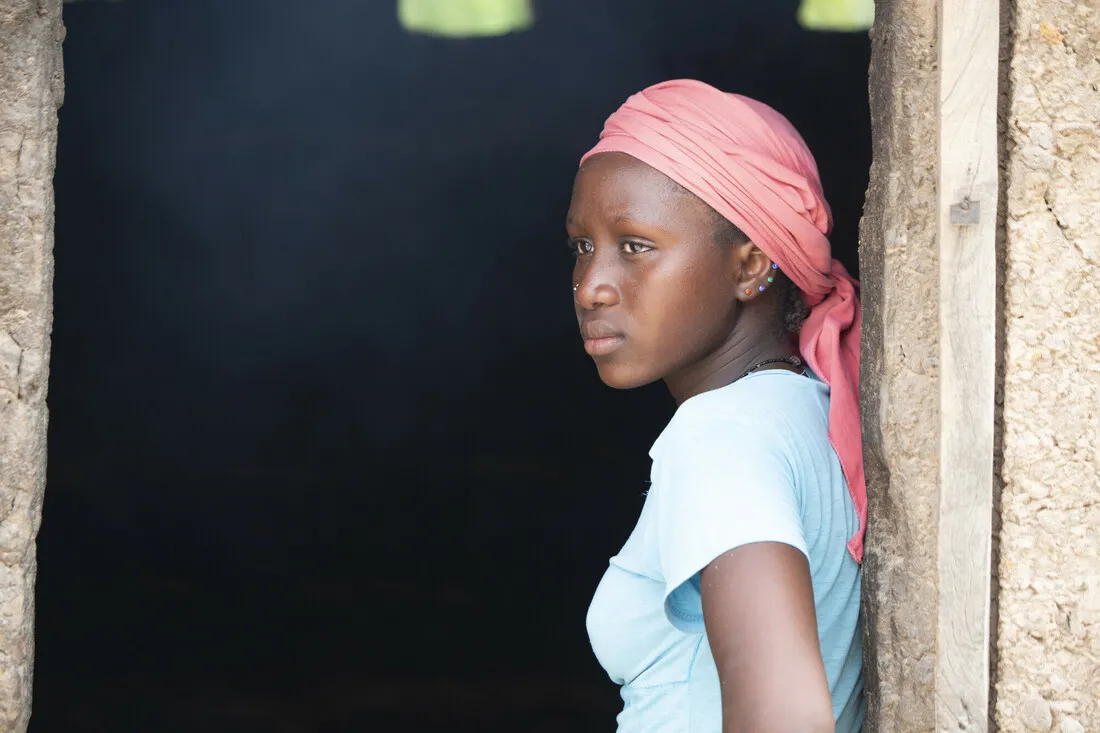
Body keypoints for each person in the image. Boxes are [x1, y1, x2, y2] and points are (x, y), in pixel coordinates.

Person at [567, 80, 865, 733]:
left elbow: (786, 719)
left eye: (635, 245)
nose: (591, 286)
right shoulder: (809, 411)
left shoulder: (719, 435)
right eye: (581, 246)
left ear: (750, 265)